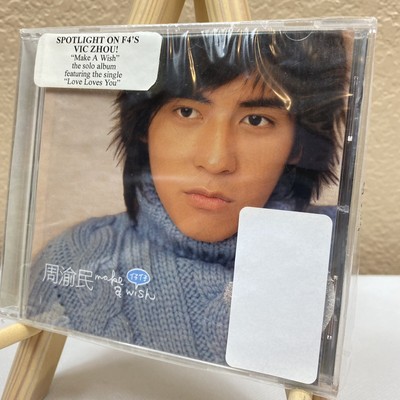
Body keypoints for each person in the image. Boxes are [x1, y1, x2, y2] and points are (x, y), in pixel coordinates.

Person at [27, 28, 349, 365]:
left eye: (256, 120)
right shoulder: (71, 261)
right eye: (186, 112)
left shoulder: (328, 257)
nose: (216, 160)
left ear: (300, 145)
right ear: (143, 126)